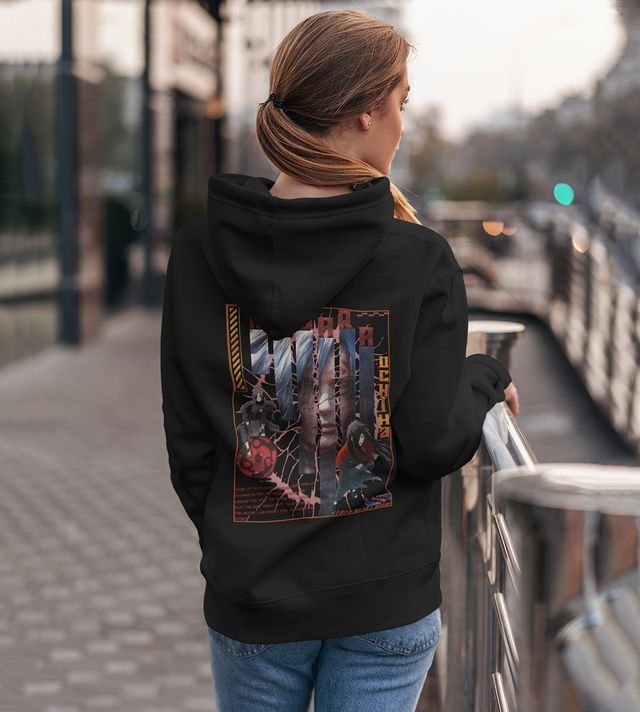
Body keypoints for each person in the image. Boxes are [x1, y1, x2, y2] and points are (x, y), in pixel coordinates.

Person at [160, 9, 519, 712]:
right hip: (382, 602)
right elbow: (432, 440)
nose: (403, 125)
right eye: (401, 103)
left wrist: (240, 552)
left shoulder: (199, 252)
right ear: (364, 114)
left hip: (253, 598)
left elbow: (189, 442)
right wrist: (486, 377)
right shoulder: (419, 258)